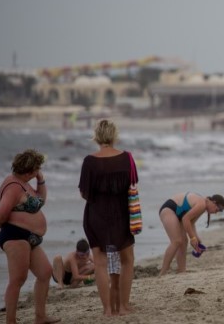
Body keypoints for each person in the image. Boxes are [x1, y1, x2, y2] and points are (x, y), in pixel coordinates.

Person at [0, 149, 61, 324]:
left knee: (45, 272)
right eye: (37, 169)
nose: (38, 171)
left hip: (28, 238)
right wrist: (1, 221)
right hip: (15, 236)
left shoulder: (24, 183)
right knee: (18, 279)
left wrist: (40, 179)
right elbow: (0, 213)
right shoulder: (13, 186)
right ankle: (10, 321)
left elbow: (40, 202)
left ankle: (40, 317)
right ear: (29, 170)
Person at [79, 119, 135, 317]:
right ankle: (123, 307)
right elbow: (133, 184)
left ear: (96, 136)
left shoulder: (89, 161)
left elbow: (84, 193)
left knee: (100, 263)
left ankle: (107, 310)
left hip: (96, 215)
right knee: (127, 260)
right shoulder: (127, 158)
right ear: (114, 135)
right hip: (122, 214)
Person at [158, 192, 224, 276]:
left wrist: (196, 238)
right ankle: (163, 272)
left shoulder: (203, 207)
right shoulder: (202, 204)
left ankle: (182, 271)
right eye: (218, 209)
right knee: (176, 241)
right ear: (214, 202)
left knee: (184, 241)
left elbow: (191, 223)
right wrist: (193, 238)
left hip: (178, 214)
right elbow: (185, 219)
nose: (216, 212)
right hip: (169, 209)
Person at [106, 246, 121, 315]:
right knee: (115, 283)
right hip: (115, 250)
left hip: (113, 250)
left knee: (116, 284)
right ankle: (114, 309)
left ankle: (117, 308)